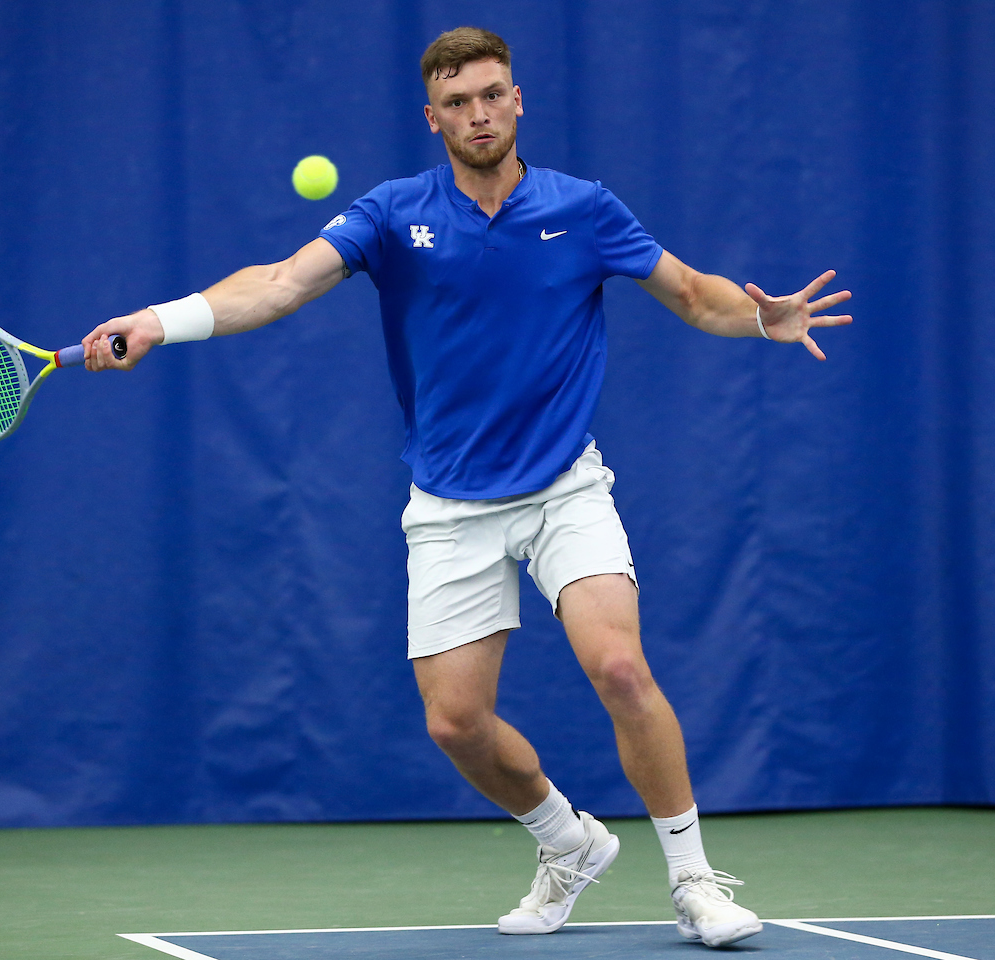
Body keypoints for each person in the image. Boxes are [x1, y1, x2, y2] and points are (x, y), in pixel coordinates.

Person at [81, 26, 852, 948]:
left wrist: (761, 320)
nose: (478, 114)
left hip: (566, 485)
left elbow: (691, 292)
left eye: (492, 94)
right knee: (456, 725)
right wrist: (162, 322)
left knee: (617, 664)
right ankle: (567, 843)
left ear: (518, 100)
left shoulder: (585, 209)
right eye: (457, 102)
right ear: (432, 116)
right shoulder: (390, 214)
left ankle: (694, 883)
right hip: (449, 502)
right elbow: (281, 284)